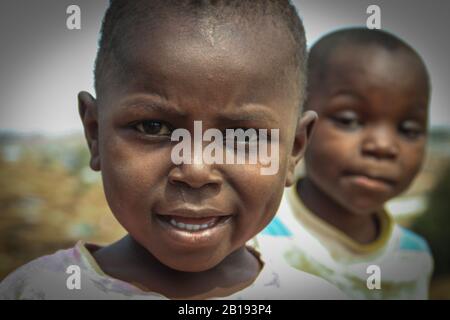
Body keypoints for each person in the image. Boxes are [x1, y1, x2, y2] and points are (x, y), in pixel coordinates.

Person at [0, 0, 345, 300]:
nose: (195, 170)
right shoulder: (35, 291)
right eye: (153, 127)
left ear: (294, 150)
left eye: (241, 135)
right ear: (94, 133)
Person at [260, 28, 433, 299]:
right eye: (349, 120)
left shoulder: (415, 257)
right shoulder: (256, 238)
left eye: (408, 129)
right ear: (300, 126)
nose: (383, 146)